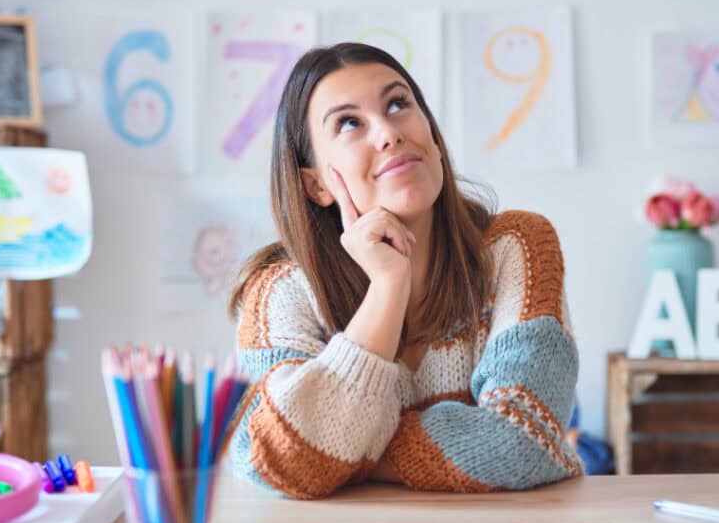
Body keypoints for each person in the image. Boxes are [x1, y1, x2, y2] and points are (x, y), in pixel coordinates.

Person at [227, 42, 582, 499]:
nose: (388, 133)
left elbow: (521, 441)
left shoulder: (518, 247)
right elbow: (280, 460)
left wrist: (343, 451)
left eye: (398, 104)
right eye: (349, 123)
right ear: (315, 184)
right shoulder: (278, 289)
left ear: (431, 134)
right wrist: (387, 287)